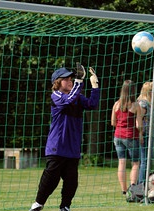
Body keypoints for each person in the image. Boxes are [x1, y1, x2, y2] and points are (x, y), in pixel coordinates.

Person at [29, 63, 100, 211]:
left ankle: (65, 207)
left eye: (72, 79)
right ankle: (37, 204)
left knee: (71, 181)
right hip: (57, 146)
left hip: (72, 147)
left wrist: (95, 87)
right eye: (66, 79)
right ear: (57, 82)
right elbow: (69, 100)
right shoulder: (56, 96)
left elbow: (92, 104)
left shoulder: (77, 97)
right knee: (51, 179)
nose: (71, 81)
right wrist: (80, 82)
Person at [111, 80, 143, 195]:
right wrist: (141, 133)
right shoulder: (135, 105)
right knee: (135, 163)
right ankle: (133, 189)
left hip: (118, 136)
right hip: (131, 136)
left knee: (121, 162)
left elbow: (113, 122)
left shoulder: (116, 104)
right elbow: (138, 125)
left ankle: (124, 190)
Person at [137, 81, 154, 184]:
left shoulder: (151, 104)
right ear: (148, 92)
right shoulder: (143, 103)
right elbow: (138, 120)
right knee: (145, 161)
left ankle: (143, 183)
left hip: (150, 136)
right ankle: (141, 184)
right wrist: (140, 134)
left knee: (147, 161)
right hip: (145, 135)